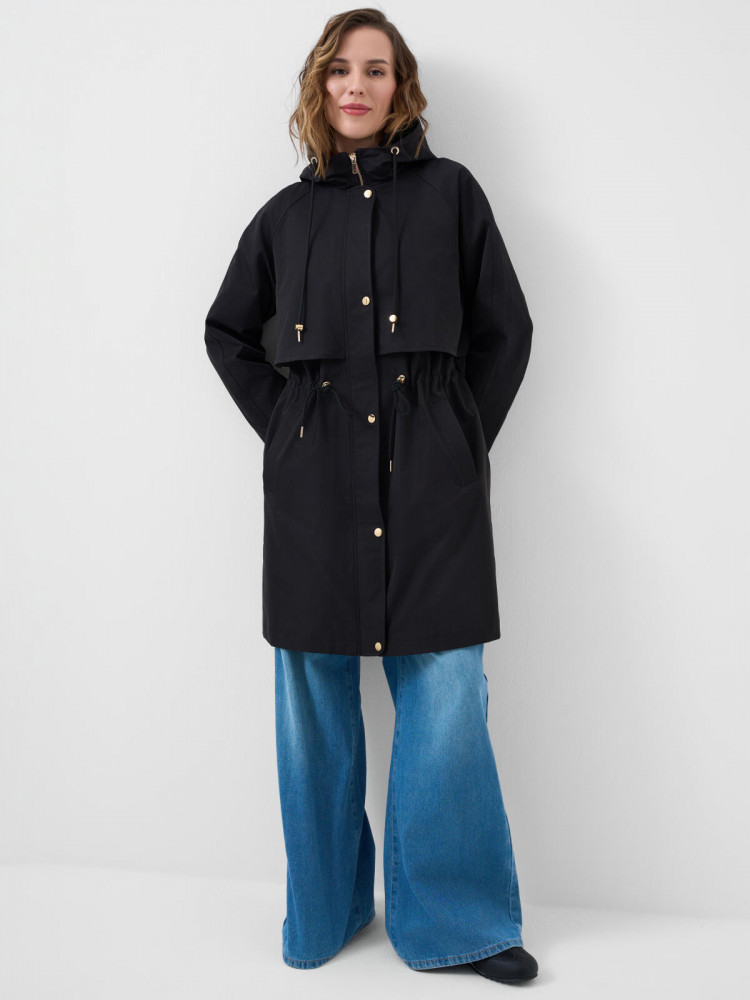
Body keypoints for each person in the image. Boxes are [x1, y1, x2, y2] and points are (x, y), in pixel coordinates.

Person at [204, 9, 538, 983]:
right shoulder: (283, 217)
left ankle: (460, 926)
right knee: (312, 702)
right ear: (321, 85)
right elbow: (227, 332)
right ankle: (326, 908)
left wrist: (458, 440)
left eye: (378, 69)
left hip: (433, 492)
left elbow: (507, 329)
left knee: (447, 698)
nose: (358, 84)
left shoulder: (452, 194)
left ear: (402, 87)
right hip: (314, 495)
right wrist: (288, 429)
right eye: (341, 69)